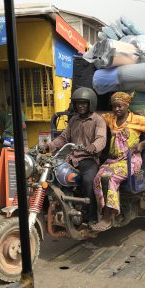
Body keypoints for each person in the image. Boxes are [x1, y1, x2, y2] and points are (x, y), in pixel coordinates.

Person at [92, 92, 145, 231]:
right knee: (97, 179)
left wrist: (143, 144)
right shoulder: (111, 118)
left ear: (127, 105)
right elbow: (98, 114)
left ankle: (109, 216)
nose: (117, 109)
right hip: (113, 160)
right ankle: (103, 211)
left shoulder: (137, 120)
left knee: (110, 178)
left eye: (120, 106)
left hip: (130, 161)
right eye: (114, 106)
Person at [45, 87, 107, 223]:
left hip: (88, 159)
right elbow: (63, 138)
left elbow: (101, 138)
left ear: (91, 104)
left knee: (88, 182)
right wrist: (49, 146)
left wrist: (93, 146)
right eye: (78, 103)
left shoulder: (98, 120)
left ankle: (92, 217)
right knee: (51, 174)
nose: (80, 106)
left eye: (84, 103)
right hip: (72, 158)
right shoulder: (73, 120)